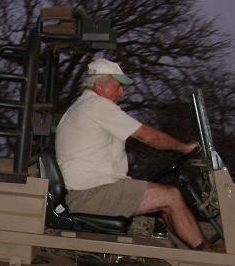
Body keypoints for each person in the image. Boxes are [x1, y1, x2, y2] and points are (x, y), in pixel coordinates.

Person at [54, 58, 210, 250]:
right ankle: (208, 255)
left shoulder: (83, 106)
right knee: (171, 196)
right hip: (91, 194)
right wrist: (184, 148)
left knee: (164, 201)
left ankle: (190, 253)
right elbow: (149, 137)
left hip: (89, 191)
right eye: (119, 86)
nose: (122, 92)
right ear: (100, 85)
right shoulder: (97, 106)